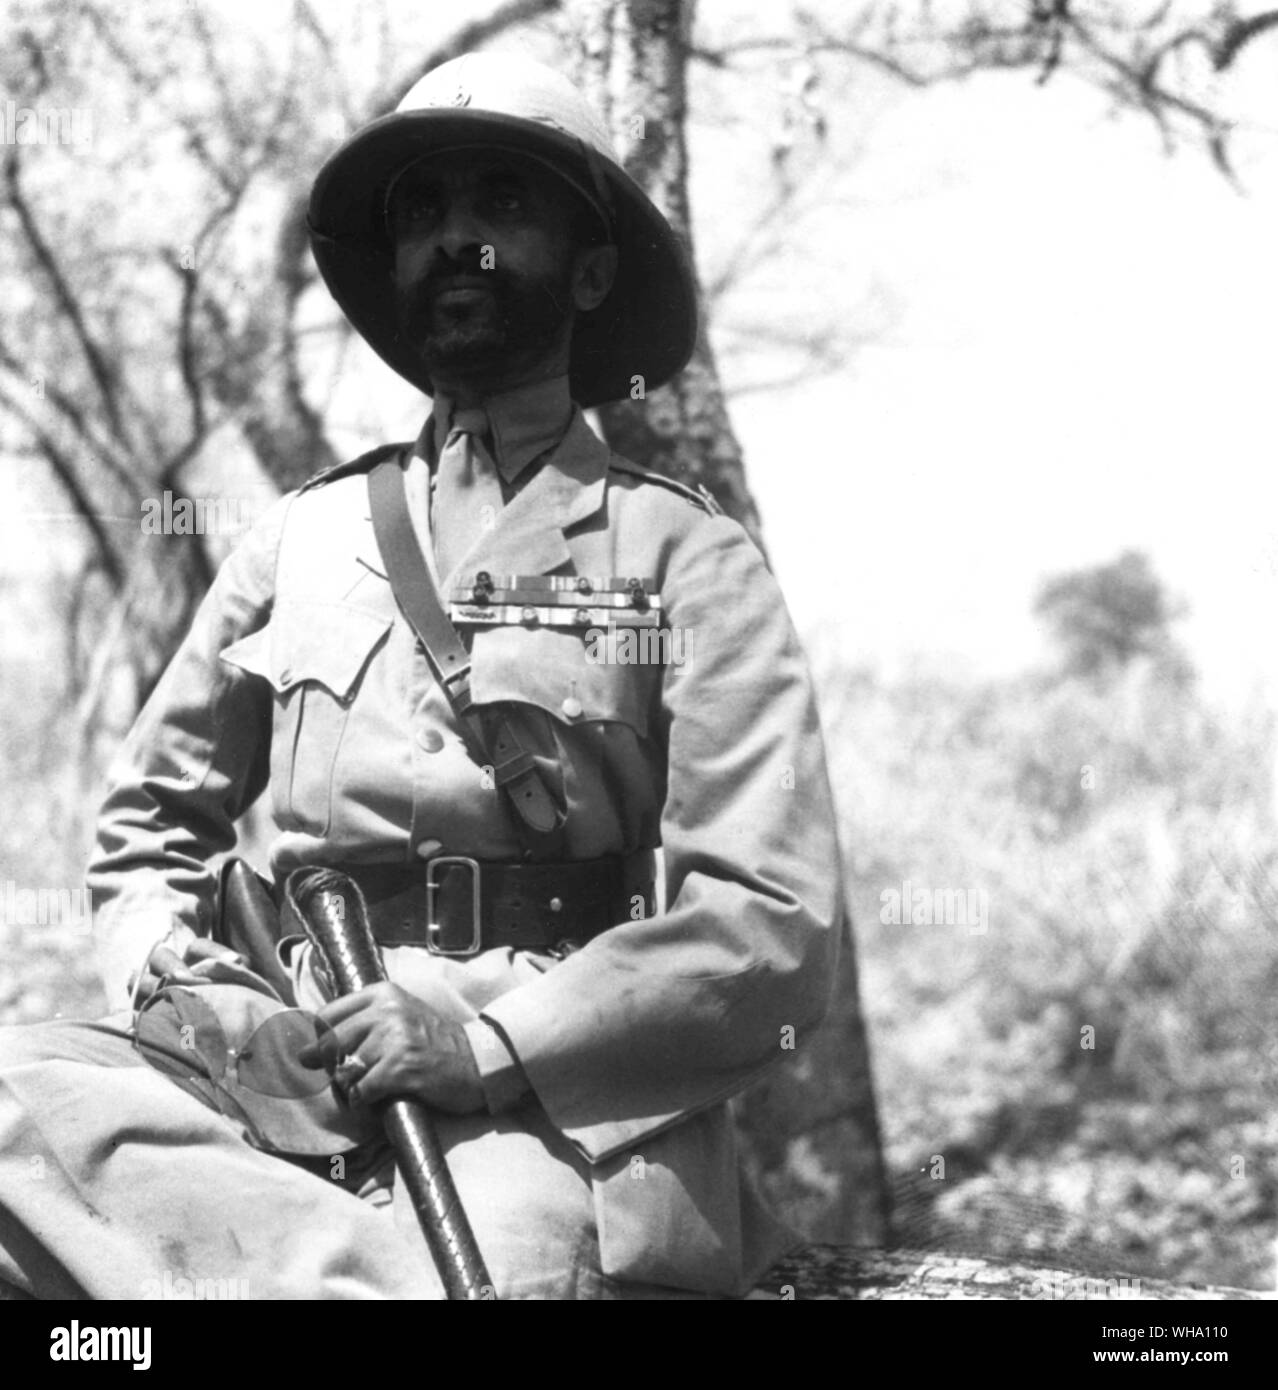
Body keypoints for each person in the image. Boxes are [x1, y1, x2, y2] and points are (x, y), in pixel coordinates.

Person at [0, 50, 841, 1300]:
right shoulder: (302, 537)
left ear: (592, 270)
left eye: (502, 204)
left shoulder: (686, 558)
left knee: (485, 1271)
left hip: (546, 1110)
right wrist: (191, 982)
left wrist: (485, 1043)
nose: (457, 240)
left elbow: (769, 928)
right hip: (280, 1074)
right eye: (424, 214)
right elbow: (144, 830)